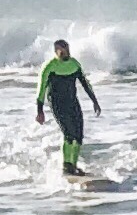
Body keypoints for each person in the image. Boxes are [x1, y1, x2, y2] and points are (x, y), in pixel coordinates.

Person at [33, 40, 100, 175]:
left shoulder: (74, 64)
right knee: (69, 134)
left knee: (79, 136)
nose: (66, 53)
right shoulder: (50, 67)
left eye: (67, 50)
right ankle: (66, 165)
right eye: (62, 51)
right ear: (56, 52)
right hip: (57, 103)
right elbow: (41, 89)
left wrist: (95, 101)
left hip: (72, 102)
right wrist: (40, 111)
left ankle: (73, 165)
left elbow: (85, 84)